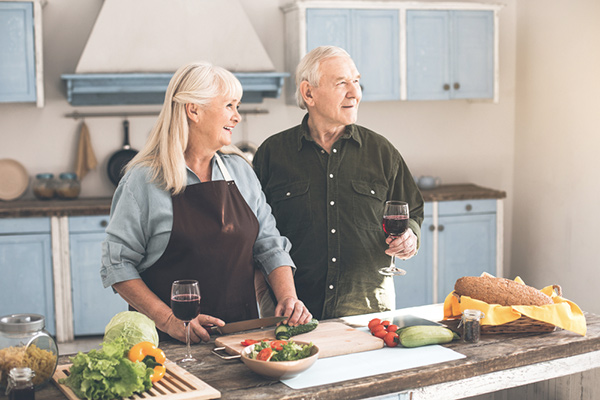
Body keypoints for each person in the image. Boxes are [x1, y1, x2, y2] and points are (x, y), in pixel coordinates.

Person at [101, 61, 311, 343]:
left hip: (244, 339)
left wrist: (288, 297)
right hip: (168, 345)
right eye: (229, 105)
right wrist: (169, 320)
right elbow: (118, 264)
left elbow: (269, 243)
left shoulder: (240, 171)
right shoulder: (143, 181)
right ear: (193, 110)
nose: (237, 117)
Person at [253, 46, 424, 320]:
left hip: (367, 314)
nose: (355, 93)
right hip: (293, 314)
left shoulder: (381, 151)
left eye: (356, 81)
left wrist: (409, 238)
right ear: (309, 93)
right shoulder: (272, 154)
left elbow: (412, 212)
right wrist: (264, 298)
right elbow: (256, 234)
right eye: (342, 83)